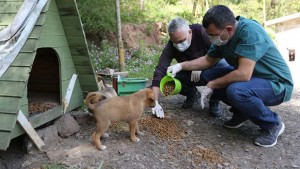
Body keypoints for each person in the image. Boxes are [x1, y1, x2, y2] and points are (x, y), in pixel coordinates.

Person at [167, 5, 293, 147]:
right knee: (209, 75)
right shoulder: (223, 39)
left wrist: (212, 85)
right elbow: (207, 60)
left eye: (212, 35)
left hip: (276, 84)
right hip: (254, 79)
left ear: (228, 29)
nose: (210, 38)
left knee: (236, 90)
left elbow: (243, 74)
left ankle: (272, 124)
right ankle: (242, 112)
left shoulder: (250, 32)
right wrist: (180, 66)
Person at [151, 17, 229, 118]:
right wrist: (156, 102)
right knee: (167, 76)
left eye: (182, 41)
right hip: (189, 73)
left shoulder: (202, 32)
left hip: (210, 67)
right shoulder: (171, 46)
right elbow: (159, 71)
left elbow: (220, 53)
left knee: (224, 66)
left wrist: (201, 67)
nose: (179, 45)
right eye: (175, 42)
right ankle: (192, 93)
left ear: (190, 32)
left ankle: (215, 99)